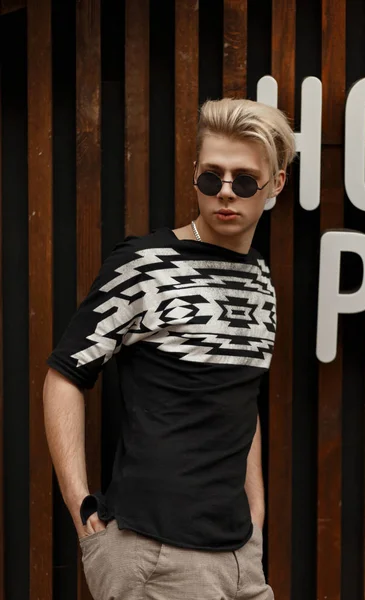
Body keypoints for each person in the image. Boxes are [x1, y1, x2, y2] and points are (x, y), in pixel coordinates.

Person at [43, 97, 296, 600]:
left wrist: (256, 514)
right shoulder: (147, 265)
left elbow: (238, 395)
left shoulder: (259, 277)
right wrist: (82, 511)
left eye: (244, 180)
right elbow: (64, 375)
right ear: (195, 176)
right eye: (211, 177)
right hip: (155, 553)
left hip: (239, 555)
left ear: (276, 184)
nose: (226, 193)